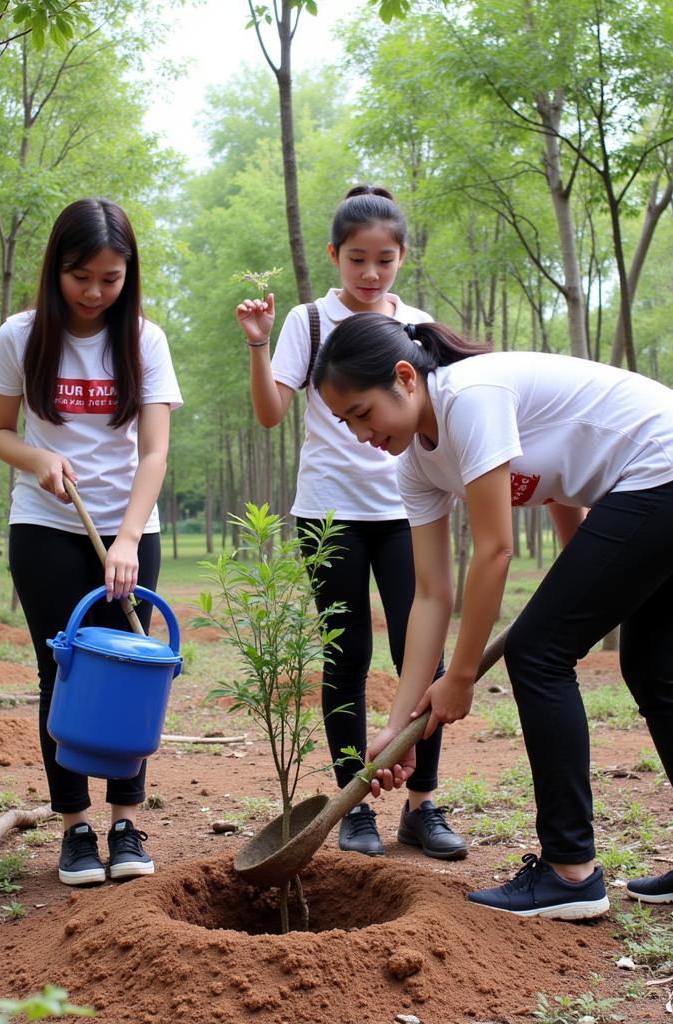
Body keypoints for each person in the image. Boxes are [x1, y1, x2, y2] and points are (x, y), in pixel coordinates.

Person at [313, 311, 673, 920]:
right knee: (654, 668)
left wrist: (463, 673)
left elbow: (495, 551)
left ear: (404, 378)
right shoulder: (416, 465)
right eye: (345, 423)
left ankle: (569, 870)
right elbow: (431, 595)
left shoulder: (470, 397)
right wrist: (399, 725)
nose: (361, 434)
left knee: (536, 652)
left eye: (363, 413)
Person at [233, 186, 466, 861]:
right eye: (358, 259)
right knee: (348, 656)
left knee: (422, 654)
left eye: (385, 260)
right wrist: (259, 345)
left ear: (401, 260)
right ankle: (354, 803)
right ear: (334, 256)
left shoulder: (416, 326)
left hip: (408, 508)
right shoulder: (309, 322)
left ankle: (422, 803)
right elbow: (272, 413)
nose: (370, 274)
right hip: (330, 512)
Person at [0, 198, 182, 886]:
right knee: (61, 672)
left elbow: (154, 451)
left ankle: (126, 821)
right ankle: (73, 829)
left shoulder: (144, 341)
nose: (96, 293)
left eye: (110, 278)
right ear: (55, 270)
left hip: (129, 530)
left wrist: (128, 537)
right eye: (80, 277)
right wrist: (37, 460)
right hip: (46, 530)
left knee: (133, 670)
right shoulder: (20, 335)